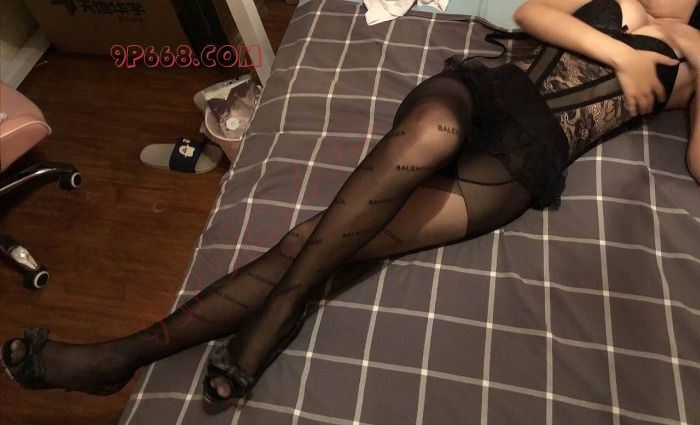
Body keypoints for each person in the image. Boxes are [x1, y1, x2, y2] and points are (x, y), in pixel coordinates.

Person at [2, 0, 698, 405]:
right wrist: (626, 57)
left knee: (315, 239)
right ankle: (284, 312)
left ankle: (123, 354)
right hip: (480, 94)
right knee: (423, 140)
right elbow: (528, 12)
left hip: (523, 157)